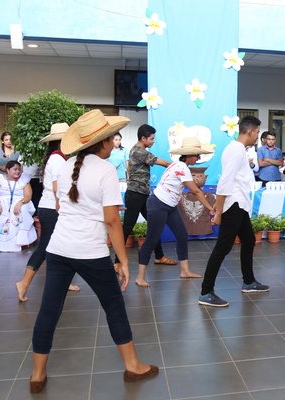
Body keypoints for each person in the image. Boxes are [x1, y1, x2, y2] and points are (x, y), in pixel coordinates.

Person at [29, 110, 158, 393]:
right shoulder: (105, 170)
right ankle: (132, 365)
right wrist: (123, 261)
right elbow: (112, 220)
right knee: (114, 306)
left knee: (49, 310)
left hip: (59, 247)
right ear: (100, 143)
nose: (115, 143)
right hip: (90, 250)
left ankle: (37, 375)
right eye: (112, 139)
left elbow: (63, 206)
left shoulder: (65, 167)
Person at [199, 116, 269, 307]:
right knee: (223, 247)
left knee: (248, 240)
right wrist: (219, 211)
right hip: (233, 205)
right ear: (250, 132)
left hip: (240, 204)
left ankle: (249, 282)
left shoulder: (238, 150)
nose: (257, 137)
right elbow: (225, 182)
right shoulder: (236, 151)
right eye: (257, 133)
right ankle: (206, 292)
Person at [134, 137, 214, 287]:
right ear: (189, 156)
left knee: (182, 235)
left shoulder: (178, 165)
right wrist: (210, 208)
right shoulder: (182, 167)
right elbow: (196, 191)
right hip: (158, 204)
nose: (198, 158)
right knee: (151, 240)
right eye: (197, 156)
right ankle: (140, 277)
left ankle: (184, 271)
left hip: (169, 206)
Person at [15, 123, 80, 302]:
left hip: (52, 207)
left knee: (63, 247)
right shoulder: (58, 159)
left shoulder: (58, 157)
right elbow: (57, 187)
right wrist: (63, 208)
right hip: (52, 209)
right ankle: (24, 283)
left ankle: (64, 281)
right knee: (45, 248)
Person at [117, 124, 175, 267]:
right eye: (151, 138)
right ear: (143, 138)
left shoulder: (139, 150)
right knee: (128, 227)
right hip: (135, 195)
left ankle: (159, 256)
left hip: (142, 194)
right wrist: (177, 166)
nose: (153, 141)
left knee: (154, 224)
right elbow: (160, 162)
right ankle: (117, 262)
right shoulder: (139, 151)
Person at [0, 160, 37, 252]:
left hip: (21, 201)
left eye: (19, 170)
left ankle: (22, 241)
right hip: (2, 201)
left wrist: (20, 203)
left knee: (23, 209)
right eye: (15, 169)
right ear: (8, 170)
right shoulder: (0, 180)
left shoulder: (24, 180)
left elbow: (28, 196)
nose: (18, 171)